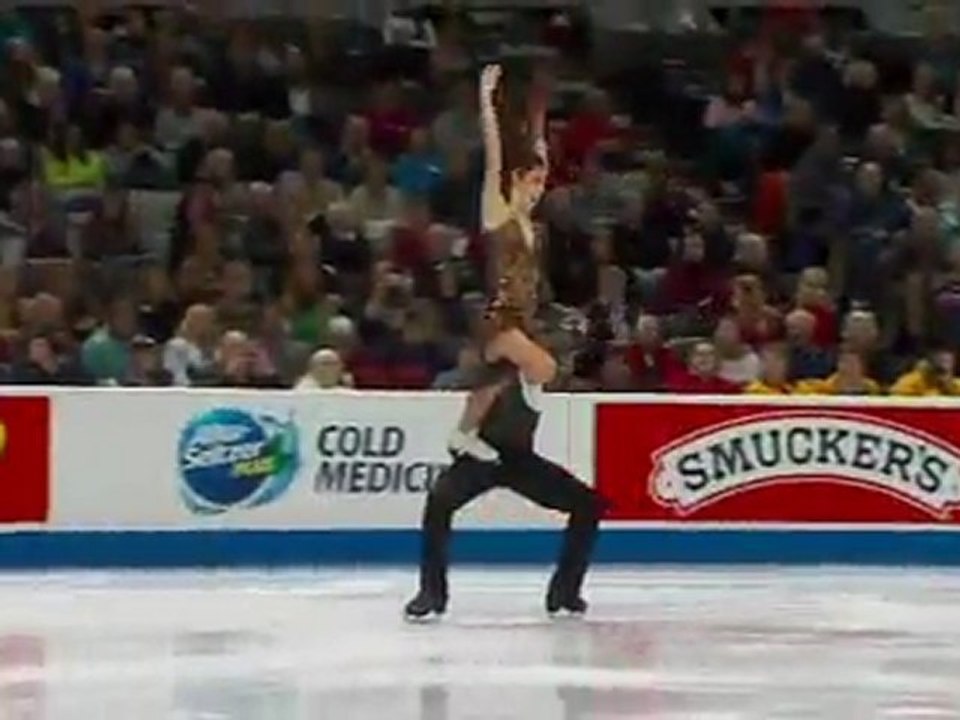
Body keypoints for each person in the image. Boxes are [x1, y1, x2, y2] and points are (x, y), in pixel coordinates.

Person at [404, 299, 604, 621]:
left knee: (589, 504)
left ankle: (565, 593)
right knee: (439, 502)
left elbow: (545, 368)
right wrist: (462, 438)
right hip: (480, 456)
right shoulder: (489, 371)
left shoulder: (529, 373)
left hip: (517, 459)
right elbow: (476, 402)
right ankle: (430, 593)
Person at [449, 62, 549, 458]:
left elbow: (540, 153)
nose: (539, 189)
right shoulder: (498, 211)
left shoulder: (528, 220)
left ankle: (462, 435)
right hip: (499, 317)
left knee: (490, 386)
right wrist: (486, 99)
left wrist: (539, 118)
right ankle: (530, 383)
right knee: (543, 369)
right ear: (516, 180)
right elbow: (495, 157)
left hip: (522, 314)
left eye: (542, 183)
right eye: (533, 181)